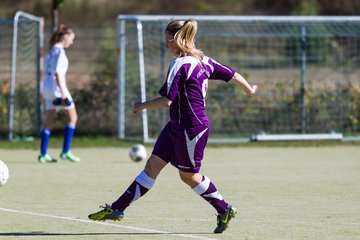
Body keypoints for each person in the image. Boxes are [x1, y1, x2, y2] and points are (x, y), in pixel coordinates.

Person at [88, 19, 258, 234]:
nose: (166, 44)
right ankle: (117, 209)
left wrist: (140, 106)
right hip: (175, 126)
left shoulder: (180, 64)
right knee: (152, 166)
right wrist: (249, 90)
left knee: (189, 176)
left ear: (177, 39)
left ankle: (224, 209)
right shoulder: (203, 60)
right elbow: (232, 74)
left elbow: (167, 99)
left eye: (168, 40)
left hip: (191, 129)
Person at [38, 25, 80, 163]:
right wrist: (63, 94)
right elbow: (58, 73)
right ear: (65, 36)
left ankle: (43, 154)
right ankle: (66, 152)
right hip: (57, 89)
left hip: (48, 88)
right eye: (71, 38)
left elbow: (46, 73)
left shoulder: (51, 51)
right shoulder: (60, 52)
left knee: (49, 121)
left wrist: (43, 91)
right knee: (73, 118)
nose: (72, 42)